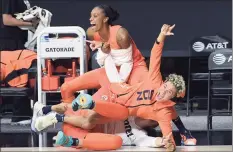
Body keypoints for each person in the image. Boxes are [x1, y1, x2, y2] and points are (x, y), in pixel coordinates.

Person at [32, 4, 196, 146]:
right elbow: (154, 57)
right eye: (91, 16)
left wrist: (167, 141)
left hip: (126, 77)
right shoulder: (95, 31)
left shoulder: (121, 35)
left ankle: (65, 126)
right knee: (67, 88)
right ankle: (48, 112)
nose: (91, 19)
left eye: (95, 16)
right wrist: (100, 45)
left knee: (95, 121)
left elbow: (165, 116)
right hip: (114, 79)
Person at [0, 0, 35, 123]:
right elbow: (6, 19)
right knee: (17, 75)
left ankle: (21, 114)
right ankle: (20, 114)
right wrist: (29, 24)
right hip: (9, 44)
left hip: (18, 41)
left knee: (21, 75)